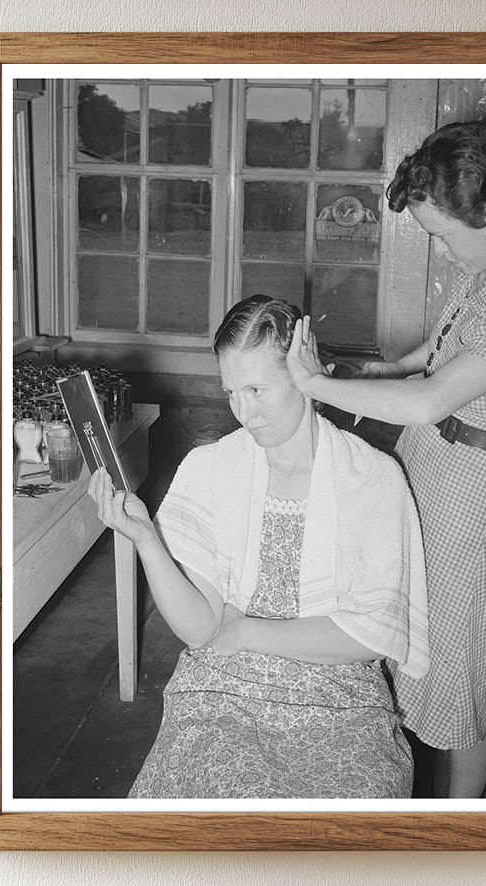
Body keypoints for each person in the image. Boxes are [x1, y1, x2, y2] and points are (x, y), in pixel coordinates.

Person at [286, 121, 486, 799]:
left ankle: (460, 821)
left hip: (475, 492)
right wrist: (362, 368)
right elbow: (430, 358)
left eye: (441, 234)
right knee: (416, 642)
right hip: (433, 468)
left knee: (462, 669)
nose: (439, 249)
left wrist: (318, 387)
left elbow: (432, 397)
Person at [88, 295, 428, 799]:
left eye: (257, 389)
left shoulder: (371, 479)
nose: (243, 412)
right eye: (231, 392)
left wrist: (244, 631)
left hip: (340, 702)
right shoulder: (210, 471)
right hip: (221, 692)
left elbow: (372, 637)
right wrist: (146, 541)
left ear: (307, 377)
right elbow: (202, 630)